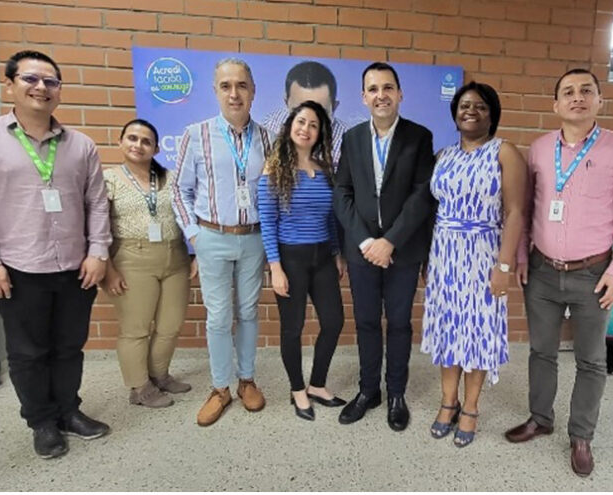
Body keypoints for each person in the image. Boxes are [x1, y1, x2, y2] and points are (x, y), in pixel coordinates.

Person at [0, 50, 111, 459]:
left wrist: (98, 252)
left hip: (76, 266)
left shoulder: (82, 145)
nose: (41, 88)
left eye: (50, 81)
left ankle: (69, 411)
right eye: (31, 79)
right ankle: (42, 421)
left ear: (59, 91)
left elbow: (97, 203)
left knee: (70, 346)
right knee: (28, 351)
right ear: (10, 85)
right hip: (17, 266)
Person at [505, 68, 613, 477]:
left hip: (594, 274)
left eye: (587, 90)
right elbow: (527, 209)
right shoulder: (540, 148)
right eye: (568, 91)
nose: (577, 97)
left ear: (600, 100)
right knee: (541, 352)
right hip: (544, 272)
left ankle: (581, 435)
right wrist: (523, 257)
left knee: (591, 360)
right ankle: (540, 419)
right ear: (556, 104)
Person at [420, 82, 526, 447]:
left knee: (478, 332)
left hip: (484, 253)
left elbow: (514, 213)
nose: (471, 111)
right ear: (455, 113)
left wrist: (505, 266)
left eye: (480, 106)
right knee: (449, 329)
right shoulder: (443, 156)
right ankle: (447, 402)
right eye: (464, 105)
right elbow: (433, 212)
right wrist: (427, 261)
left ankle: (471, 407)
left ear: (492, 114)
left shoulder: (504, 152)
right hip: (445, 254)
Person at [333, 62, 435, 431]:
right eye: (373, 89)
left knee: (399, 323)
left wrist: (389, 241)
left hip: (402, 250)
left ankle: (396, 394)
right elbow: (342, 192)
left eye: (388, 87)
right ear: (363, 97)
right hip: (362, 250)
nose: (381, 95)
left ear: (400, 94)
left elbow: (423, 196)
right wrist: (365, 240)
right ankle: (367, 391)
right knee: (365, 322)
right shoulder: (352, 138)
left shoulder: (419, 137)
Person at [172, 58, 274, 427]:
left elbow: (275, 191)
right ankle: (219, 388)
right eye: (226, 86)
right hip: (211, 236)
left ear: (253, 91)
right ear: (215, 91)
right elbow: (179, 191)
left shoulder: (267, 139)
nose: (235, 93)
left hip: (253, 238)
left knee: (247, 312)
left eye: (242, 86)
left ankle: (246, 380)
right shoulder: (195, 134)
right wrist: (194, 235)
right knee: (218, 317)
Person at [258, 100, 347, 421]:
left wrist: (337, 253)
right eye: (301, 122)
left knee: (334, 321)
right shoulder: (274, 168)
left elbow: (331, 217)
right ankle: (297, 390)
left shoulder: (326, 170)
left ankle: (317, 384)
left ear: (320, 132)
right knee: (292, 329)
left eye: (313, 125)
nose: (306, 129)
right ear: (289, 127)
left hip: (323, 255)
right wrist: (276, 268)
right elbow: (267, 222)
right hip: (290, 259)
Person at [101, 119, 197, 408]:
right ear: (120, 143)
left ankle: (159, 375)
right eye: (131, 138)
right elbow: (97, 226)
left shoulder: (170, 178)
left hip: (175, 256)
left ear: (155, 148)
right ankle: (139, 387)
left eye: (145, 141)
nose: (138, 145)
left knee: (170, 324)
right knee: (136, 328)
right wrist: (108, 270)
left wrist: (194, 254)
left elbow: (186, 216)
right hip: (132, 257)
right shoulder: (110, 179)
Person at [262, 61, 348, 166]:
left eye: (319, 112)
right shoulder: (269, 128)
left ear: (334, 107)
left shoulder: (349, 145)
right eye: (299, 110)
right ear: (286, 102)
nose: (308, 124)